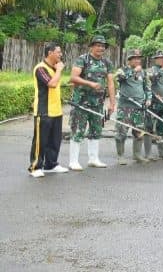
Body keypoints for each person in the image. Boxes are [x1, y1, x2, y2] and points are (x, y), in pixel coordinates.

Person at [69, 35, 116, 171]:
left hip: (98, 103)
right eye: (98, 45)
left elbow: (111, 83)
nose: (101, 48)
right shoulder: (83, 59)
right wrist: (90, 83)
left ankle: (93, 159)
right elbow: (73, 78)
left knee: (96, 130)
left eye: (103, 46)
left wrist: (112, 103)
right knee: (78, 130)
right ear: (92, 46)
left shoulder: (107, 63)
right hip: (81, 103)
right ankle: (73, 161)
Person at [28, 42, 69, 177]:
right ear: (50, 53)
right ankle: (35, 167)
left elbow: (56, 84)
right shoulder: (40, 68)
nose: (60, 55)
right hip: (43, 111)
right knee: (41, 140)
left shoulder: (53, 68)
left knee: (54, 140)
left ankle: (51, 164)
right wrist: (59, 70)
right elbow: (51, 84)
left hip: (56, 110)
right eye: (58, 52)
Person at [115, 49, 152, 164]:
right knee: (121, 132)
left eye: (139, 58)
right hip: (125, 107)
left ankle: (137, 155)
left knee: (139, 132)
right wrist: (133, 72)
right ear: (129, 60)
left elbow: (147, 87)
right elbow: (119, 79)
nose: (137, 60)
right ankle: (120, 156)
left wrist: (148, 98)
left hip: (139, 107)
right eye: (134, 58)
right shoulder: (122, 70)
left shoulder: (143, 73)